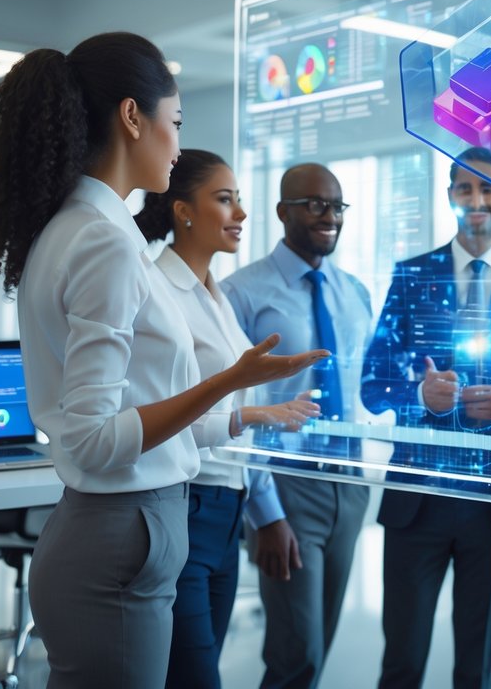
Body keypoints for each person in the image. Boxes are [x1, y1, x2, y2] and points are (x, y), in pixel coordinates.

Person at [0, 32, 325, 689]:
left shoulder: (85, 227)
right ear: (134, 117)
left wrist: (239, 396)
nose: (179, 144)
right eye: (175, 122)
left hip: (117, 531)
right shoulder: (104, 242)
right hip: (121, 531)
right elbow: (97, 439)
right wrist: (228, 382)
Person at [361, 146, 491, 689]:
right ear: (450, 196)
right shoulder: (412, 277)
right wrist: (418, 395)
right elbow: (372, 381)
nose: (477, 200)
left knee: (475, 668)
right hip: (419, 503)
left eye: (488, 189)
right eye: (466, 189)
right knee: (401, 662)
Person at [134, 149, 322, 689]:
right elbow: (157, 417)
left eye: (239, 200)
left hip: (227, 509)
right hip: (186, 504)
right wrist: (251, 412)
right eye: (224, 200)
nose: (240, 213)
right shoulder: (156, 291)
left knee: (202, 667)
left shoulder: (213, 294)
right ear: (182, 211)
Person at [221, 163, 373, 689]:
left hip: (349, 482)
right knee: (296, 651)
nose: (328, 216)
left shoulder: (353, 292)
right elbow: (233, 404)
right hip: (285, 483)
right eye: (314, 204)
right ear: (283, 211)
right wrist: (264, 511)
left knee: (320, 642)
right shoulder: (239, 294)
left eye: (336, 206)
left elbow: (362, 390)